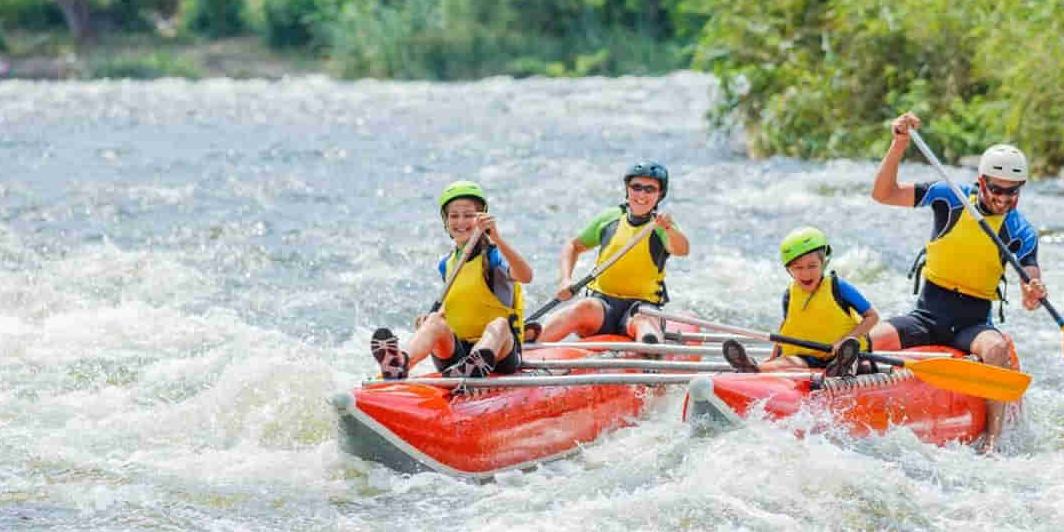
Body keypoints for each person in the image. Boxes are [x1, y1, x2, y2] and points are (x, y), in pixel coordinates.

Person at [869, 111, 1046, 452]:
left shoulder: (1021, 231)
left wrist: (1034, 292)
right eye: (996, 189)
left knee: (996, 348)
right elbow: (883, 193)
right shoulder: (950, 198)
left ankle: (992, 440)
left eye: (1012, 191)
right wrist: (899, 143)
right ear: (982, 181)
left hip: (972, 324)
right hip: (926, 316)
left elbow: (1030, 292)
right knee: (864, 340)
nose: (1004, 198)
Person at [371, 180, 533, 379]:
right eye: (454, 216)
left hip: (500, 353)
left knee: (500, 324)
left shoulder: (495, 257)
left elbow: (526, 276)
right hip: (459, 355)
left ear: (482, 218)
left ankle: (475, 365)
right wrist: (428, 324)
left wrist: (497, 238)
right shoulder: (446, 264)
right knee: (433, 320)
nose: (461, 222)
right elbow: (459, 305)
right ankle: (400, 363)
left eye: (469, 215)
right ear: (446, 222)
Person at [533, 161, 690, 345]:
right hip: (602, 306)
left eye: (650, 189)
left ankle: (650, 349)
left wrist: (669, 229)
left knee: (644, 323)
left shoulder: (662, 226)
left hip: (642, 307)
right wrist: (565, 280)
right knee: (582, 307)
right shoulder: (610, 218)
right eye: (636, 187)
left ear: (660, 194)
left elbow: (682, 250)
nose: (641, 194)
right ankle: (528, 347)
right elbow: (573, 246)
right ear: (627, 189)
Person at [722, 227, 879, 377]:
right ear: (789, 270)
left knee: (856, 363)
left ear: (823, 263)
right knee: (788, 362)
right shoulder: (790, 295)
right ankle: (753, 368)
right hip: (808, 357)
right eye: (798, 268)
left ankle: (841, 368)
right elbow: (786, 329)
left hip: (844, 353)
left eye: (812, 266)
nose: (806, 273)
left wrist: (845, 340)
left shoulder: (839, 287)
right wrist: (772, 359)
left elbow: (872, 317)